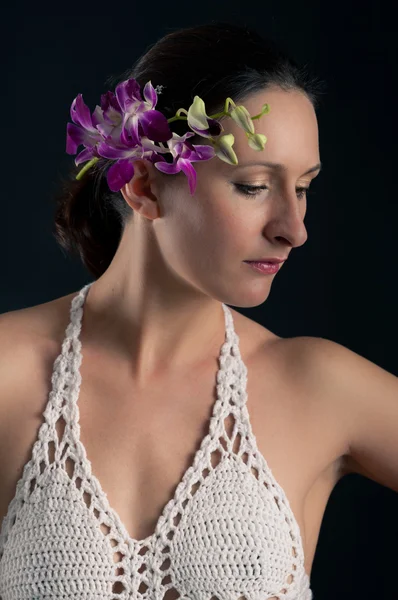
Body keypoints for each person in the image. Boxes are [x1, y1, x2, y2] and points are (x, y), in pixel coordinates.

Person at [1, 20, 397, 600]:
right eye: (255, 186)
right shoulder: (7, 373)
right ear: (143, 185)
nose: (295, 230)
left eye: (304, 187)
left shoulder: (318, 387)